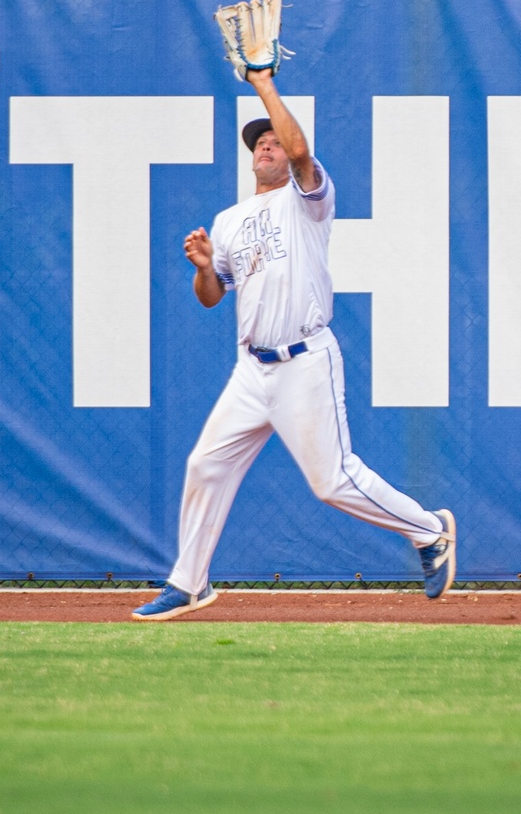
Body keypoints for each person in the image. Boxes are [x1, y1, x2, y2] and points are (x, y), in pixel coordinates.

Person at [133, 67, 455, 621]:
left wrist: (262, 84)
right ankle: (189, 583)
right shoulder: (229, 220)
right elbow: (212, 298)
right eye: (258, 142)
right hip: (251, 368)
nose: (266, 145)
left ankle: (430, 531)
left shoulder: (307, 202)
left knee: (333, 481)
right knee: (205, 465)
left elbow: (304, 153)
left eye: (274, 140)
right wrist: (206, 268)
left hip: (304, 359)